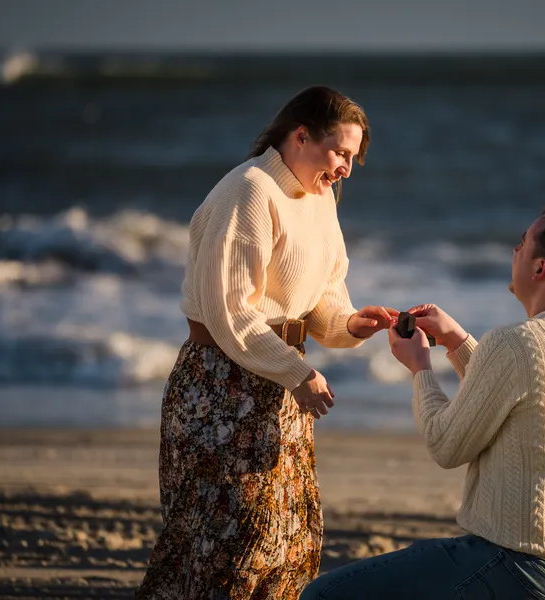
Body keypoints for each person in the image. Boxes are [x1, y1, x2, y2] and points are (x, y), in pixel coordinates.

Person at [136, 86, 397, 600]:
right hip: (220, 387)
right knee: (223, 552)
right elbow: (230, 312)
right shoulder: (250, 190)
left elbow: (322, 298)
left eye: (353, 157)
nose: (346, 168)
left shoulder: (321, 197)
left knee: (289, 546)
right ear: (300, 136)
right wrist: (298, 373)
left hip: (277, 386)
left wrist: (350, 325)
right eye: (340, 152)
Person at [301, 205, 545, 600]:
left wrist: (419, 365)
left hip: (520, 568)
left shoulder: (516, 343)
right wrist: (455, 340)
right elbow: (518, 393)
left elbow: (446, 444)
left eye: (521, 245)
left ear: (540, 268)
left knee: (325, 595)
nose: (514, 252)